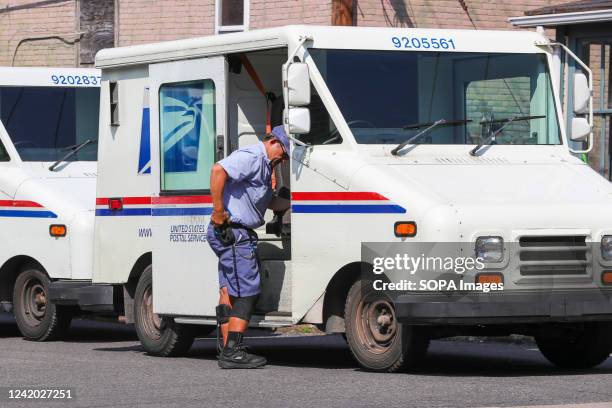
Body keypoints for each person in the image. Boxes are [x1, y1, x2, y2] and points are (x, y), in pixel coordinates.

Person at [206, 125, 290, 369]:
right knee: (248, 291)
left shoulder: (265, 167)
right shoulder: (253, 157)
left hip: (231, 232)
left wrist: (297, 202)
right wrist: (218, 211)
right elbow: (217, 170)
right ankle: (233, 351)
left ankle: (226, 348)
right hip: (234, 232)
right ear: (273, 141)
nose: (283, 159)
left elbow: (269, 201)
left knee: (229, 291)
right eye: (283, 153)